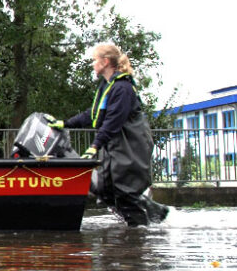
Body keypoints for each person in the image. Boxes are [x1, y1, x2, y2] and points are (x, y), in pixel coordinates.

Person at [49, 43, 169, 226]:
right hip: (115, 147)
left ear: (105, 62)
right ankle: (155, 216)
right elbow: (94, 114)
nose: (92, 64)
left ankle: (141, 237)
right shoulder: (107, 86)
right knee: (104, 191)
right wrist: (66, 123)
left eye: (95, 60)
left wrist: (94, 146)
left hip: (130, 146)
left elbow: (113, 122)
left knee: (125, 195)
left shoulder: (122, 88)